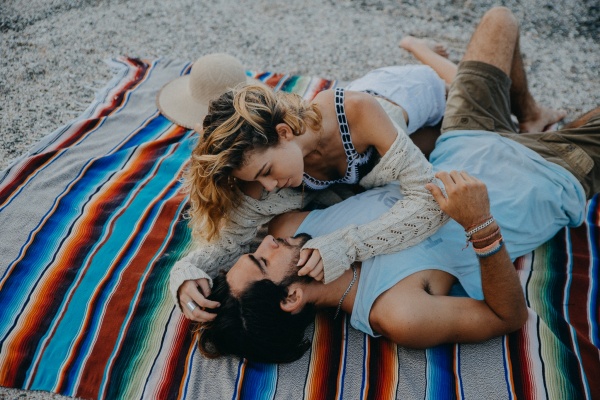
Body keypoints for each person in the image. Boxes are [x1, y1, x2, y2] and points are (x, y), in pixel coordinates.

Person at [194, 6, 600, 363]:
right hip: (548, 174)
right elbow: (507, 317)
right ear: (291, 297)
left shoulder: (290, 227)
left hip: (463, 133)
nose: (264, 242)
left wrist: (186, 276)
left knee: (499, 19)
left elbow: (231, 225)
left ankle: (530, 115)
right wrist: (481, 227)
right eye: (262, 261)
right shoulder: (399, 314)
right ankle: (551, 130)